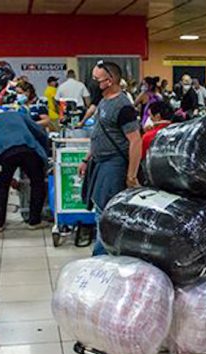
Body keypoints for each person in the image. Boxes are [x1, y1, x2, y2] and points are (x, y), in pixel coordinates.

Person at [78, 61, 143, 256]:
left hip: (114, 165)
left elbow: (135, 141)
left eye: (97, 79)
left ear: (111, 80)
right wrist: (87, 158)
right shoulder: (104, 101)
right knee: (100, 209)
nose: (94, 83)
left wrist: (131, 176)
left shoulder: (123, 106)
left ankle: (100, 258)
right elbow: (99, 134)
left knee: (105, 214)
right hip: (99, 163)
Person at [0, 110, 49, 232]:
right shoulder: (19, 115)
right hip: (27, 148)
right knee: (37, 183)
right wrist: (45, 153)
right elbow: (39, 132)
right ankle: (34, 221)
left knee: (2, 186)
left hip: (4, 152)